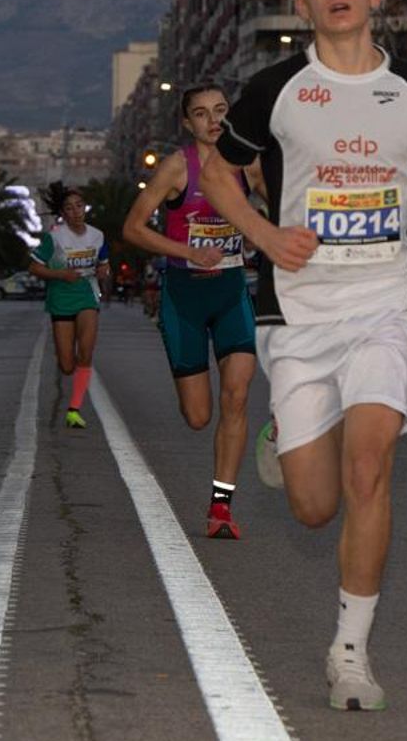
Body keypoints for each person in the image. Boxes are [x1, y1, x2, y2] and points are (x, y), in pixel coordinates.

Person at [199, 0, 407, 712]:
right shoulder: (276, 87)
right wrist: (265, 235)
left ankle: (350, 651)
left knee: (369, 468)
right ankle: (287, 438)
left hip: (387, 299)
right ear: (303, 1)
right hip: (300, 312)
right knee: (314, 507)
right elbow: (218, 171)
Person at [122, 82, 267, 540]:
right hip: (184, 296)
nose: (213, 120)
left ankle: (220, 507)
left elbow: (279, 208)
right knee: (199, 416)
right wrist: (183, 249)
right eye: (201, 114)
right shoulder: (175, 168)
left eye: (220, 110)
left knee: (238, 396)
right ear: (188, 123)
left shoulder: (249, 164)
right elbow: (132, 227)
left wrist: (257, 231)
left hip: (230, 292)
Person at [28, 184, 110, 429]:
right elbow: (34, 267)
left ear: (85, 208)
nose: (76, 212)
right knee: (66, 366)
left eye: (79, 206)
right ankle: (71, 364)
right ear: (62, 213)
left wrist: (104, 270)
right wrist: (61, 274)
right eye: (69, 208)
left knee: (86, 353)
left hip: (86, 295)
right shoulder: (54, 238)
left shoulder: (97, 236)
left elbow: (104, 264)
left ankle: (74, 409)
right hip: (61, 299)